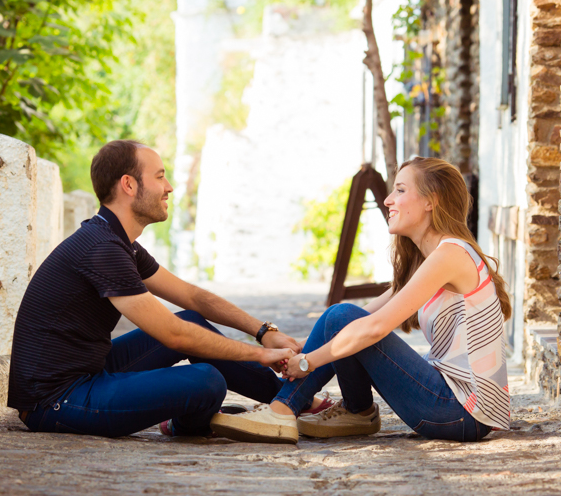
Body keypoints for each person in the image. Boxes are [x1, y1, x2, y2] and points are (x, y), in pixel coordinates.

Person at [8, 140, 329, 438]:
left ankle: (292, 403)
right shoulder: (102, 248)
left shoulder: (118, 241)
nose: (170, 187)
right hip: (54, 400)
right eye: (160, 177)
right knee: (206, 381)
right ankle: (185, 421)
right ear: (129, 185)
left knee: (191, 317)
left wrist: (263, 331)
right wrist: (261, 355)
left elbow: (192, 297)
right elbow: (174, 335)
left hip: (91, 370)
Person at [210, 157, 512, 444]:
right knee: (340, 317)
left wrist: (307, 362)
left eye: (400, 190)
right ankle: (354, 411)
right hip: (455, 407)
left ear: (431, 201)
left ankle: (281, 411)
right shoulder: (434, 259)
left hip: (462, 412)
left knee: (343, 316)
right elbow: (353, 319)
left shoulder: (450, 255)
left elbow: (373, 327)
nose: (388, 199)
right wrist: (305, 347)